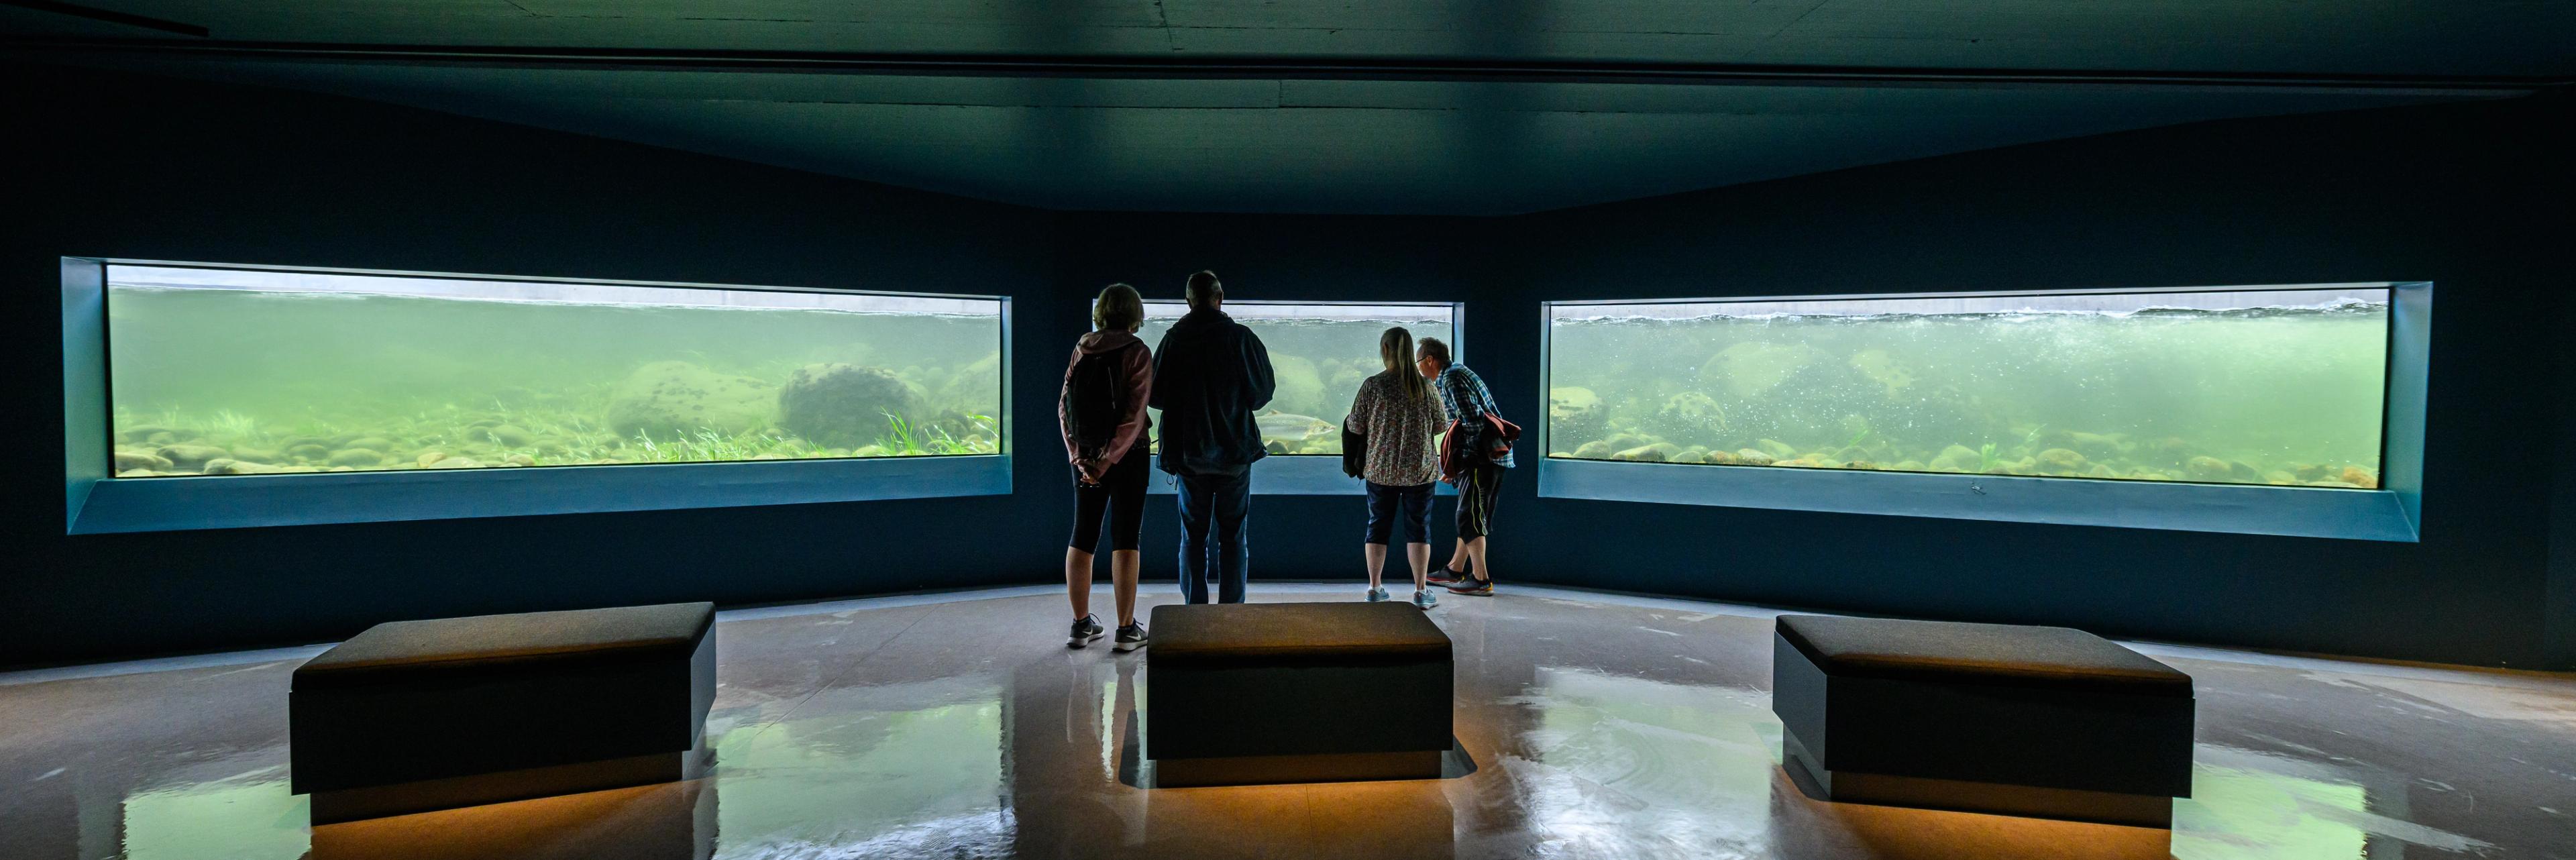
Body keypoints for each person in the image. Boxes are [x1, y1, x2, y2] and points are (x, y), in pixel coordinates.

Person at [1147, 270, 1276, 604]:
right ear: (1221, 298)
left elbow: (1155, 395)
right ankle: (1231, 611)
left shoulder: (1173, 341)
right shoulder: (1241, 338)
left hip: (1189, 456)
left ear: (1188, 302)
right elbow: (1262, 394)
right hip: (1234, 456)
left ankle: (1195, 608)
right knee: (1234, 535)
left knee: (1192, 535)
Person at [1059, 284, 1154, 650]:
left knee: (1083, 534)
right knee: (1126, 537)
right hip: (1128, 457)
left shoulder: (1082, 349)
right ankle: (1126, 629)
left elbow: (1064, 407)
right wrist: (1109, 458)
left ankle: (1081, 625)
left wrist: (1080, 456)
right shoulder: (1138, 352)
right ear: (1135, 315)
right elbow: (1135, 416)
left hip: (1085, 457)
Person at [1346, 327, 1450, 610]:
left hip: (1380, 471)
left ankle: (1375, 587)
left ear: (1386, 350)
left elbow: (1355, 425)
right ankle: (1420, 591)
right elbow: (1441, 425)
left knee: (1377, 527)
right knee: (1419, 529)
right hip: (1420, 472)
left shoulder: (1373, 385)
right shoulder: (1427, 387)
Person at [1419, 336, 1511, 596]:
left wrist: (1463, 461)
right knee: (1471, 515)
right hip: (1488, 458)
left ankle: (1481, 580)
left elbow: (1472, 421)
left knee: (1469, 517)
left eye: (1419, 363)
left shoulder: (1451, 378)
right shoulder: (1457, 372)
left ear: (1429, 360)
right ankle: (1455, 568)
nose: (1419, 369)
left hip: (1480, 460)